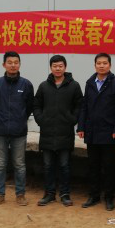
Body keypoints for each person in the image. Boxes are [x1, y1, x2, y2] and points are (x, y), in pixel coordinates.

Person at [33, 55, 83, 207]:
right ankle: (49, 194)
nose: (58, 68)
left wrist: (72, 119)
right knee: (48, 166)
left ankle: (65, 194)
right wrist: (41, 119)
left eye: (60, 66)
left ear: (65, 67)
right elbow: (36, 105)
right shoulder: (44, 86)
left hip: (65, 132)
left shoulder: (74, 86)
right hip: (47, 132)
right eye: (55, 66)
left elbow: (79, 105)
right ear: (51, 68)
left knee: (64, 166)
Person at [77, 53, 115, 211]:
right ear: (95, 65)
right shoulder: (90, 83)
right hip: (91, 131)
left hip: (109, 131)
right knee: (93, 166)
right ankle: (94, 195)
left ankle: (109, 197)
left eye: (105, 63)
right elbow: (84, 106)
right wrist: (81, 127)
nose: (102, 65)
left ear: (110, 65)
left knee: (108, 166)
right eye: (99, 63)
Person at [0, 51, 34, 207]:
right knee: (0, 164)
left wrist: (19, 119)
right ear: (4, 65)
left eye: (16, 62)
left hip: (19, 131)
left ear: (19, 64)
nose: (13, 65)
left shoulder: (26, 85)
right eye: (10, 62)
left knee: (19, 165)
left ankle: (20, 195)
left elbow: (29, 107)